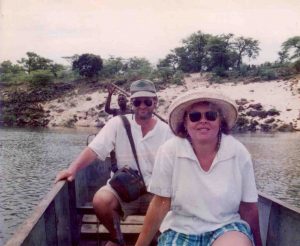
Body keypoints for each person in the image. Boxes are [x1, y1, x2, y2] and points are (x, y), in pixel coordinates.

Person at [136, 90, 262, 246]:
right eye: (195, 116)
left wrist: (259, 243)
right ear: (185, 123)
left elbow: (248, 207)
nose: (203, 121)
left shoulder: (239, 152)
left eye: (210, 115)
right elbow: (161, 202)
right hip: (180, 228)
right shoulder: (169, 150)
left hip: (226, 226)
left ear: (220, 121)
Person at [55, 79, 173, 246]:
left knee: (176, 207)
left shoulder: (167, 131)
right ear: (132, 103)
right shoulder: (117, 123)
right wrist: (72, 169)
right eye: (137, 101)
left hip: (155, 191)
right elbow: (94, 149)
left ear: (155, 102)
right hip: (124, 188)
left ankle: (154, 238)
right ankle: (117, 238)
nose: (142, 106)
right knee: (100, 200)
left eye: (147, 101)